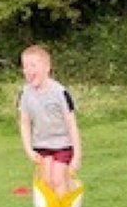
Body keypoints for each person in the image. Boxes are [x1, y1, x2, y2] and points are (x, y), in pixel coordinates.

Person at [18, 44, 81, 196]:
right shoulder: (25, 94)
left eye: (33, 65)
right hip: (42, 145)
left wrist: (77, 156)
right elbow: (25, 124)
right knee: (47, 180)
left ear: (47, 67)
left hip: (63, 144)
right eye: (25, 66)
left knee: (57, 178)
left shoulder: (60, 92)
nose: (28, 70)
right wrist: (28, 149)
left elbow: (72, 125)